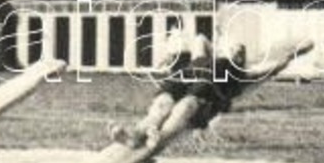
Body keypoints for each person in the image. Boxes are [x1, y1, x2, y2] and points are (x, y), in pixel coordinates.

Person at [112, 39, 285, 149]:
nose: (237, 53)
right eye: (234, 49)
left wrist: (292, 56)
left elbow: (272, 70)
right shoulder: (205, 57)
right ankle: (134, 135)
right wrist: (214, 51)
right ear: (226, 50)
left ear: (243, 60)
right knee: (163, 104)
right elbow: (200, 38)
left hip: (202, 95)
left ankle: (158, 137)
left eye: (241, 52)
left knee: (186, 106)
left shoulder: (241, 76)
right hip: (182, 81)